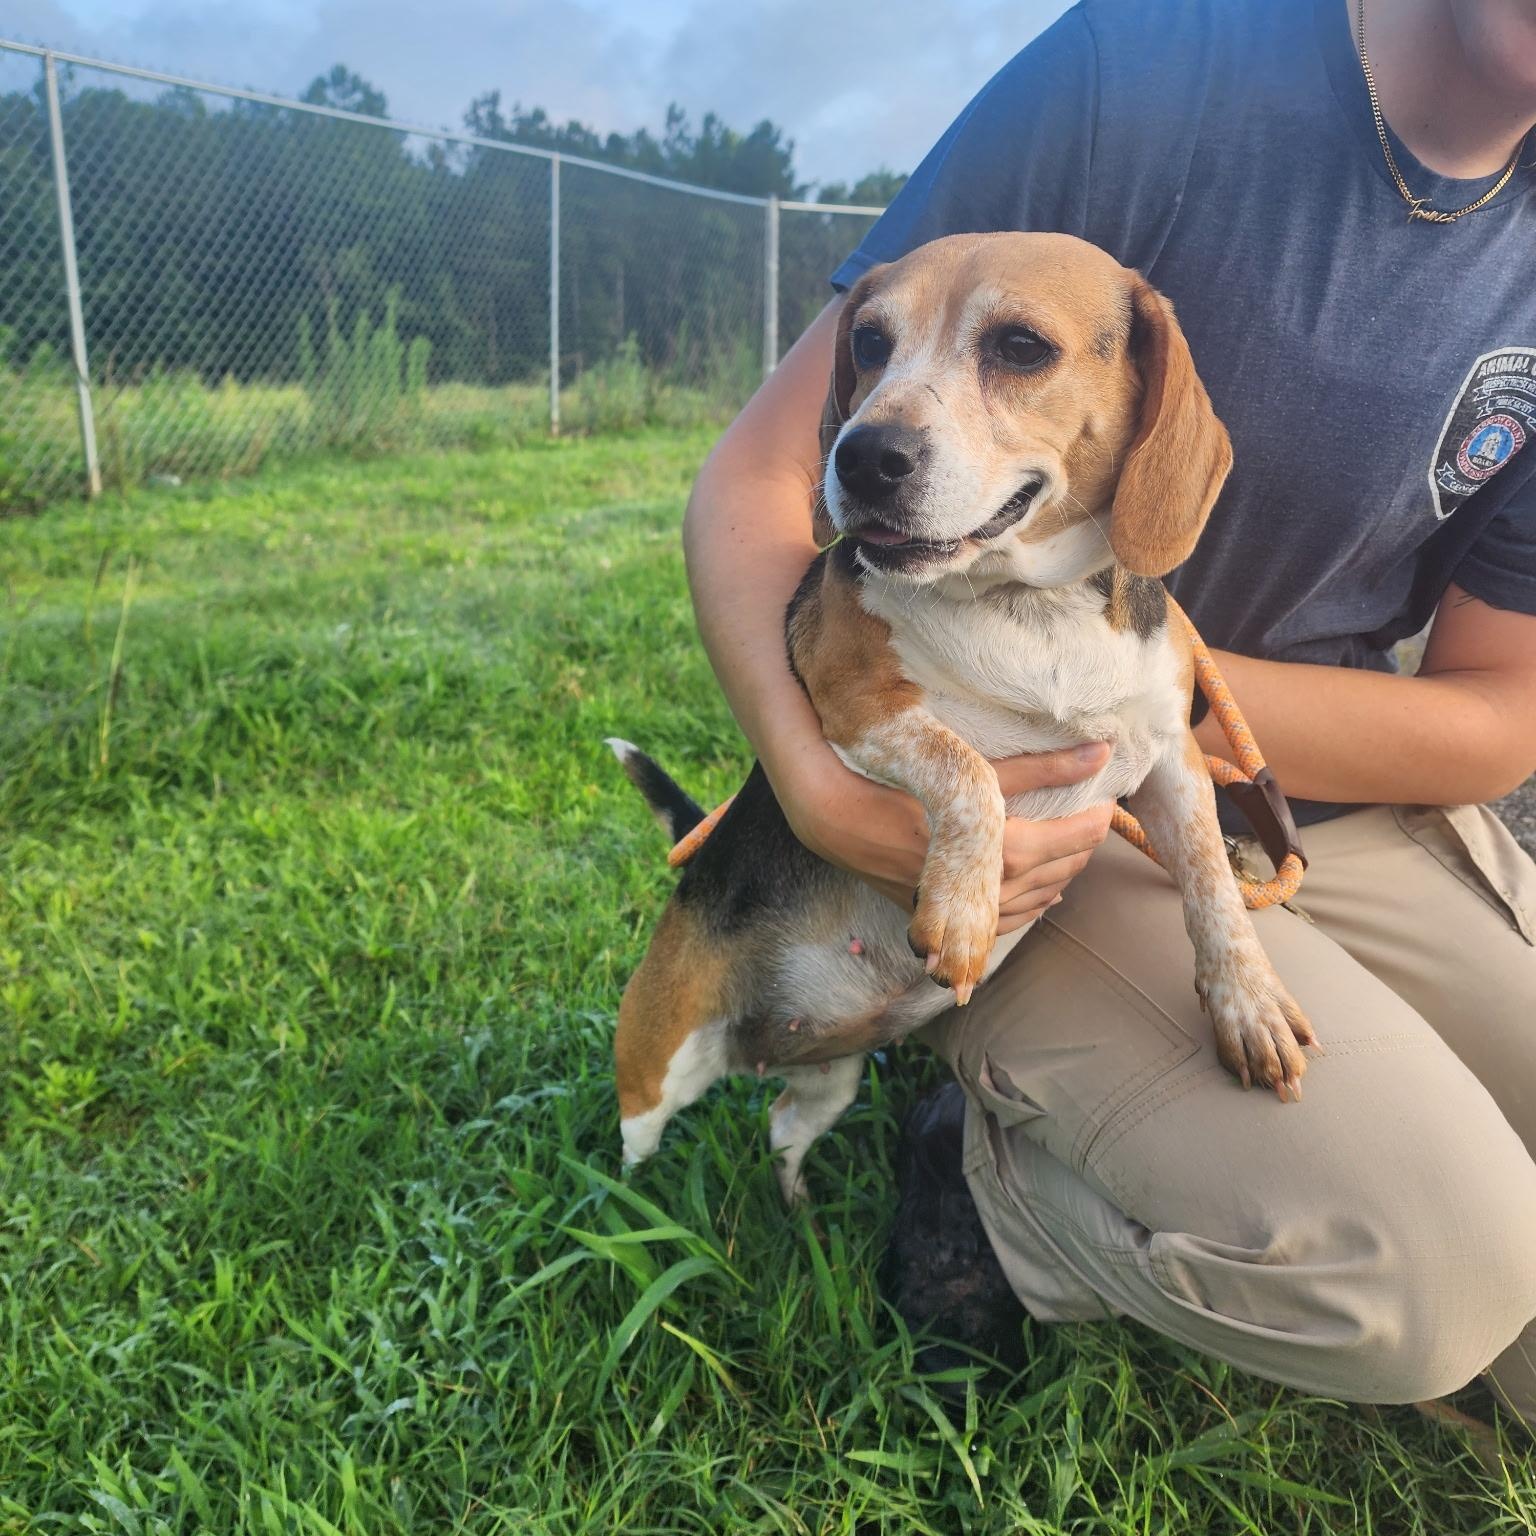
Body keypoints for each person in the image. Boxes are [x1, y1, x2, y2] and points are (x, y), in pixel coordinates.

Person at [683, 0, 1536, 1422]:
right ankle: (999, 1195)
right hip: (1030, 833)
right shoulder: (1143, 70)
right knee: (1430, 1282)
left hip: (1305, 800)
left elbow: (1503, 711)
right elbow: (769, 484)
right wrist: (831, 795)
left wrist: (1144, 697)